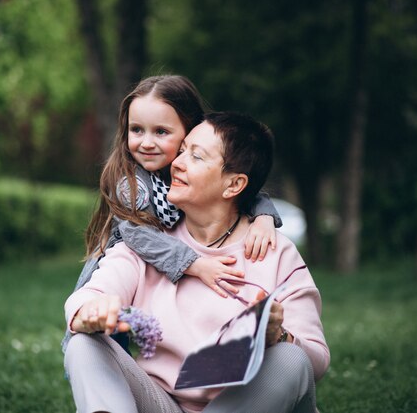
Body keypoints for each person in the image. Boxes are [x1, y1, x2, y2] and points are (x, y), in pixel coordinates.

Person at [64, 112, 330, 413]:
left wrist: (279, 336)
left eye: (196, 156)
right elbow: (91, 294)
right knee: (84, 344)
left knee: (290, 358)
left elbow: (315, 361)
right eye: (181, 151)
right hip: (161, 402)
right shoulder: (150, 242)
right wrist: (89, 311)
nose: (176, 163)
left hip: (243, 403)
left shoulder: (275, 252)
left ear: (233, 185)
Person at [62, 75, 282, 351]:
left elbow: (234, 185)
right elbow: (138, 235)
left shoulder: (186, 169)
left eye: (161, 132)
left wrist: (263, 216)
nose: (146, 143)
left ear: (190, 132)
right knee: (109, 344)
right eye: (137, 130)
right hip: (128, 269)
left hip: (165, 271)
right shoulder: (132, 183)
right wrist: (196, 264)